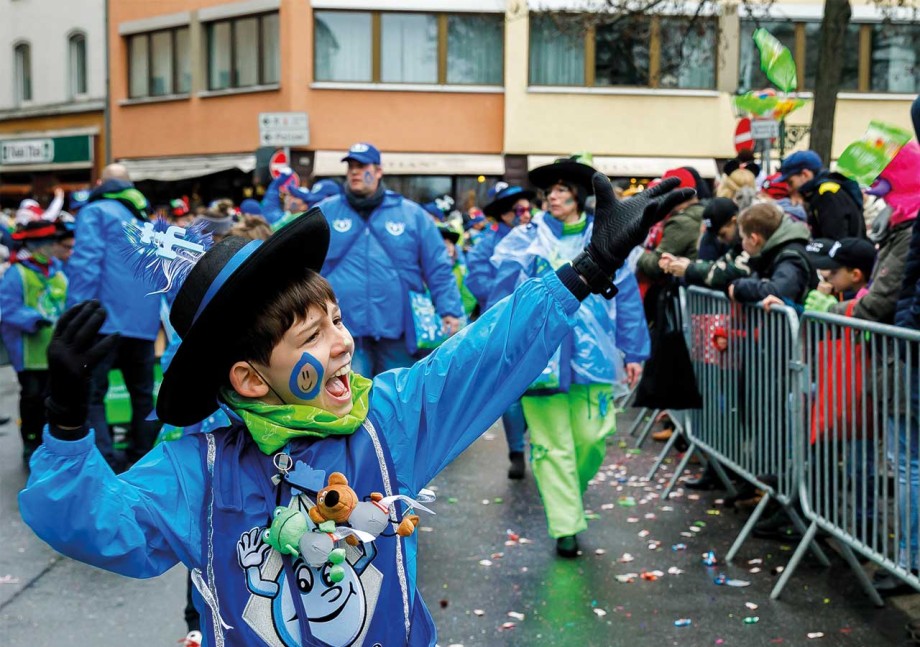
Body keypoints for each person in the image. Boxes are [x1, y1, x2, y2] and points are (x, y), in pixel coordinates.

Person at [18, 175, 689, 646]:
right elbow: (98, 527)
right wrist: (70, 431)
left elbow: (484, 356)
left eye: (335, 321)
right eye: (312, 337)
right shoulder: (199, 468)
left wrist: (589, 266)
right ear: (250, 380)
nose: (342, 343)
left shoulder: (387, 422)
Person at [488, 157, 669, 558]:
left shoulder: (605, 238)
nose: (553, 197)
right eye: (549, 191)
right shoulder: (526, 239)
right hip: (540, 360)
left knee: (592, 438)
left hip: (595, 360)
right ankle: (565, 526)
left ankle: (569, 494)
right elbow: (501, 296)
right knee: (553, 448)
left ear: (579, 197)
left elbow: (626, 300)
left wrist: (634, 350)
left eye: (562, 191)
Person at [319, 142, 463, 376]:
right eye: (351, 166)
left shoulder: (411, 214)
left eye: (362, 166)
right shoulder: (324, 213)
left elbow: (437, 267)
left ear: (378, 171)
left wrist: (450, 310)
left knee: (398, 400)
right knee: (352, 404)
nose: (354, 171)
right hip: (343, 331)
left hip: (400, 331)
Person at [65, 163, 160, 468]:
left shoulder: (95, 212)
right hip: (143, 322)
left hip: (103, 321)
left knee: (93, 394)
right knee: (143, 395)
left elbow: (85, 265)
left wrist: (75, 316)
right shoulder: (146, 219)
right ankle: (142, 456)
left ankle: (103, 461)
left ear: (100, 183)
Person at [465, 183, 536, 480]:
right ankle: (517, 451)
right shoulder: (488, 242)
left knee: (535, 387)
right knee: (510, 392)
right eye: (518, 209)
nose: (524, 214)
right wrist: (500, 302)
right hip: (503, 324)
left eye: (527, 208)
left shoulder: (538, 236)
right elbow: (476, 277)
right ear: (505, 213)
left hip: (535, 323)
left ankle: (531, 438)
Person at [0, 218, 73, 466]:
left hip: (57, 350)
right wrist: (33, 319)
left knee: (54, 399)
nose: (48, 247)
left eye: (50, 242)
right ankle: (30, 443)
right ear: (32, 244)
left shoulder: (60, 270)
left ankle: (50, 443)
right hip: (29, 351)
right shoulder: (16, 273)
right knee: (32, 398)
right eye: (43, 242)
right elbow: (7, 309)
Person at [636, 168, 704, 307]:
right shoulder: (701, 213)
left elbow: (655, 265)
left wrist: (635, 252)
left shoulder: (681, 222)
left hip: (686, 304)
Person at [728, 203, 817, 305]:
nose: (741, 243)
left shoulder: (791, 257)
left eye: (743, 238)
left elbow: (779, 292)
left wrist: (740, 288)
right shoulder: (771, 254)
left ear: (754, 239)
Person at [660, 197, 752, 290]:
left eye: (722, 234)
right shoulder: (734, 245)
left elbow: (730, 272)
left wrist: (689, 269)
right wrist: (682, 264)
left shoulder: (750, 242)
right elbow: (719, 265)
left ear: (733, 221)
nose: (720, 240)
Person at [778, 150, 865, 240]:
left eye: (790, 182)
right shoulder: (825, 190)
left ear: (805, 174)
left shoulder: (826, 194)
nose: (788, 188)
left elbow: (833, 238)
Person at [801, 238, 876, 313]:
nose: (828, 276)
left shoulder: (871, 303)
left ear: (855, 275)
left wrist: (831, 310)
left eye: (834, 272)